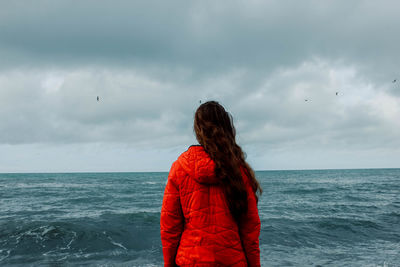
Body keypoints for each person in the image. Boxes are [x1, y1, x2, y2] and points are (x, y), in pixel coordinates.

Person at [160, 101, 262, 266]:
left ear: (199, 131)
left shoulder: (180, 167)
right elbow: (250, 230)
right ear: (227, 128)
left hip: (190, 261)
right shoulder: (238, 171)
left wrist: (169, 264)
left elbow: (169, 226)